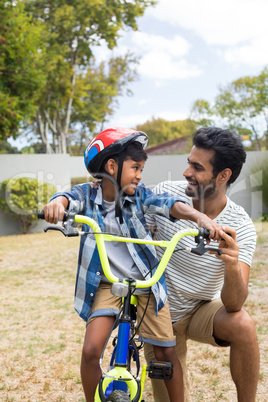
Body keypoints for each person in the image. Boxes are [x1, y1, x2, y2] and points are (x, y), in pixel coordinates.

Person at [42, 127, 222, 402]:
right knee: (91, 350)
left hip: (146, 282)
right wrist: (57, 204)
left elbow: (168, 203)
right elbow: (67, 198)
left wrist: (200, 218)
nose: (140, 174)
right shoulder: (87, 196)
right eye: (135, 167)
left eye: (141, 168)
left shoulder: (140, 196)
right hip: (108, 283)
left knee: (165, 352)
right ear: (112, 166)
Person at [144, 127, 259, 402]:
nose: (187, 173)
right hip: (161, 312)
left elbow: (234, 304)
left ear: (223, 175)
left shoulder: (241, 225)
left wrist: (231, 266)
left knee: (242, 324)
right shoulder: (166, 195)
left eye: (197, 167)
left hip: (201, 310)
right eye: (188, 163)